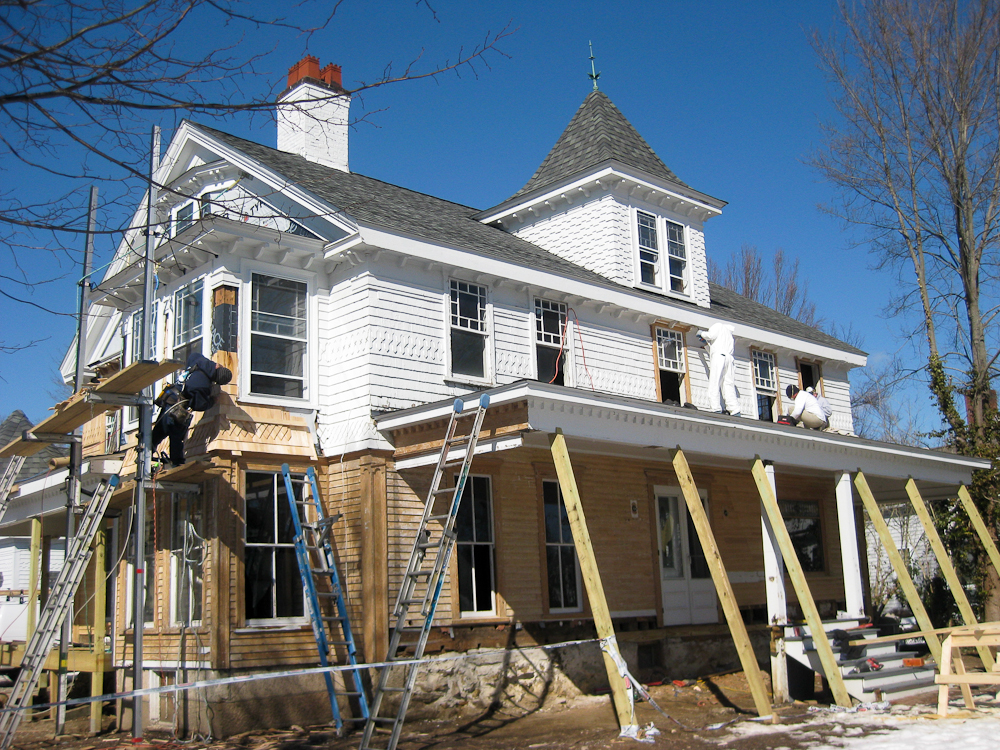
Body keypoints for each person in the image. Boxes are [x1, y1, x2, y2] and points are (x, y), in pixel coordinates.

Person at [698, 322, 741, 416]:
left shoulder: (718, 326)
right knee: (728, 384)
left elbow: (710, 335)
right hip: (729, 359)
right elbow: (715, 349)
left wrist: (701, 333)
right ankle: (734, 409)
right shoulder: (729, 336)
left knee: (714, 382)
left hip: (719, 357)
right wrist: (706, 345)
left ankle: (715, 407)